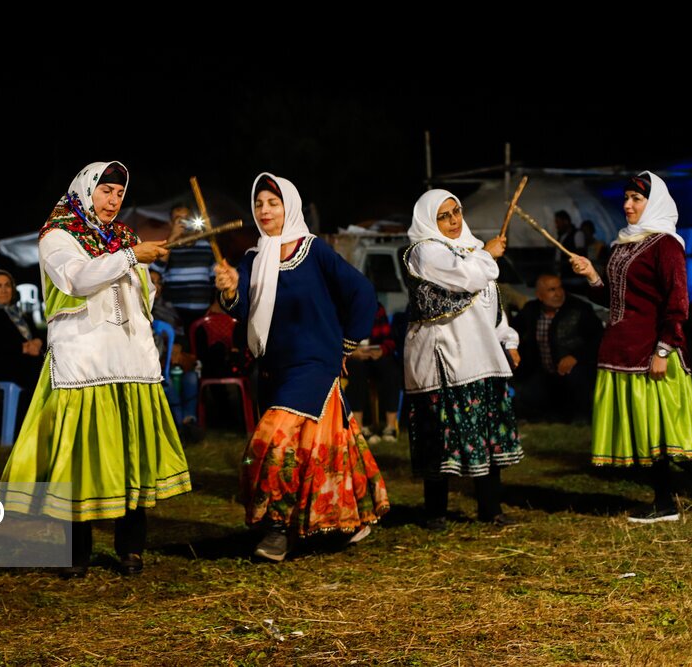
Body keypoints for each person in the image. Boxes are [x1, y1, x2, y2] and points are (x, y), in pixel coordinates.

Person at [0, 161, 191, 577]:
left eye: (119, 193)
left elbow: (144, 295)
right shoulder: (59, 235)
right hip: (84, 361)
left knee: (131, 454)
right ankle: (76, 554)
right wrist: (129, 257)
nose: (113, 200)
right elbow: (78, 278)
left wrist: (143, 268)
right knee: (81, 458)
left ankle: (131, 549)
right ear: (87, 190)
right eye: (106, 190)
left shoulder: (124, 237)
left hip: (131, 361)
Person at [215, 173, 389, 562]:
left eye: (272, 203)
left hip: (314, 363)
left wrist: (346, 343)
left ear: (288, 206)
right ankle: (340, 520)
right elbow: (242, 308)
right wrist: (229, 289)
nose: (264, 211)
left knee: (271, 442)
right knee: (316, 448)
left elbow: (361, 291)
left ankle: (276, 530)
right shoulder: (253, 259)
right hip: (273, 368)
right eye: (258, 204)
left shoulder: (314, 251)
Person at [570, 171, 692, 523]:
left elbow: (677, 301)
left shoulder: (665, 244)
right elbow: (618, 299)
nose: (627, 205)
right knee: (646, 429)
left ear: (653, 203)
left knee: (659, 428)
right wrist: (592, 275)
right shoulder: (624, 242)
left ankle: (668, 501)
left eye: (636, 199)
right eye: (626, 198)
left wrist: (664, 349)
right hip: (621, 349)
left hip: (650, 351)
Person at [403, 190, 523, 531]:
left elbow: (490, 304)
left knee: (484, 433)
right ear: (430, 220)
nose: (454, 221)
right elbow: (467, 277)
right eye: (444, 216)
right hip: (444, 359)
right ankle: (435, 512)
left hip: (481, 357)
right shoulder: (425, 251)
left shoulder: (471, 250)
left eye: (456, 212)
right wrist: (488, 254)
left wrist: (507, 340)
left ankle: (490, 508)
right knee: (442, 436)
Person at [512, 274, 601, 422]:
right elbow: (513, 332)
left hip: (573, 373)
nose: (558, 293)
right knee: (527, 394)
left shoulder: (579, 309)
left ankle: (579, 418)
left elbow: (597, 338)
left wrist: (575, 357)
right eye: (552, 290)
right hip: (542, 373)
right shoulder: (531, 310)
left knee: (577, 388)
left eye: (560, 288)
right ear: (540, 295)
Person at [149, 265, 202, 443]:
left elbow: (180, 333)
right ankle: (177, 427)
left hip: (174, 358)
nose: (156, 286)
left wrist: (178, 347)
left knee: (191, 377)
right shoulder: (138, 309)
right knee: (167, 382)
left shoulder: (168, 307)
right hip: (153, 362)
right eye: (152, 282)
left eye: (159, 282)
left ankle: (189, 421)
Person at [154, 203, 217, 333]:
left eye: (186, 218)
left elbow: (215, 280)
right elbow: (155, 271)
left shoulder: (206, 246)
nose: (183, 222)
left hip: (204, 316)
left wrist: (215, 306)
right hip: (174, 318)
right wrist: (172, 237)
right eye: (178, 219)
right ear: (171, 224)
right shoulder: (166, 248)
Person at [0, 269, 43, 390]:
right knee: (44, 370)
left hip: (25, 360)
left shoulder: (19, 312)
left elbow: (36, 333)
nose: (4, 290)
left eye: (7, 285)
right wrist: (23, 348)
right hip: (3, 364)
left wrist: (37, 342)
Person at [344, 302, 401, 443]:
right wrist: (351, 352)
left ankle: (390, 426)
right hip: (353, 355)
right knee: (356, 370)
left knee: (391, 368)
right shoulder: (343, 308)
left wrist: (382, 350)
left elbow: (389, 340)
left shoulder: (377, 308)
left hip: (374, 354)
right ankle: (359, 427)